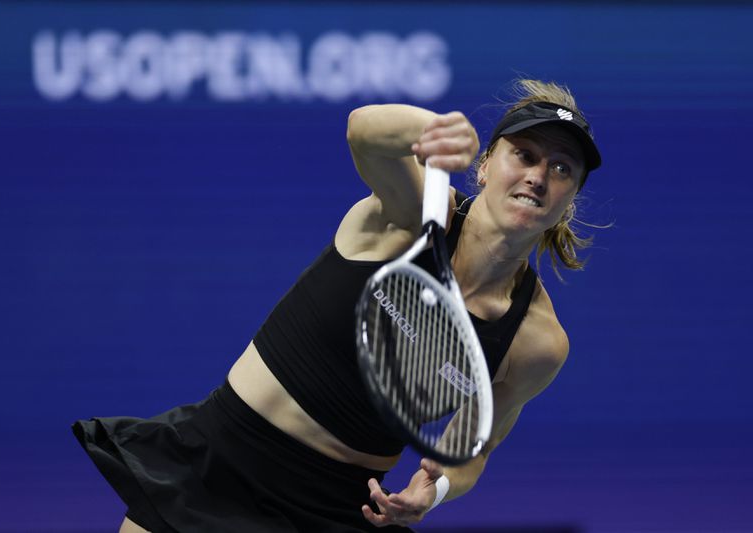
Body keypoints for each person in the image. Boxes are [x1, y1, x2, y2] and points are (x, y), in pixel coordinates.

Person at [73, 78, 602, 533]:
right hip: (222, 464)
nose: (538, 175)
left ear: (568, 202)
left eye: (561, 169)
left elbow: (474, 447)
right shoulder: (416, 216)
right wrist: (431, 127)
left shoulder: (536, 341)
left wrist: (435, 490)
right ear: (485, 165)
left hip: (337, 510)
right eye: (525, 156)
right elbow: (364, 133)